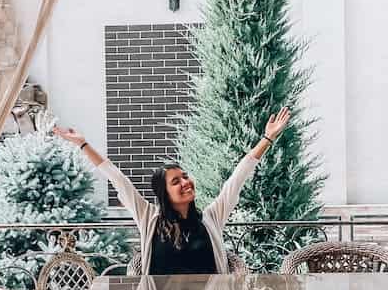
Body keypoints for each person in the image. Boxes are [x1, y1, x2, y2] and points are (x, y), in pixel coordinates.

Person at [52, 108, 291, 275]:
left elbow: (238, 177)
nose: (185, 182)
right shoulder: (149, 217)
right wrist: (83, 145)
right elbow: (117, 178)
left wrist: (267, 138)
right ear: (164, 192)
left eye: (185, 176)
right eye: (176, 181)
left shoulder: (211, 217)